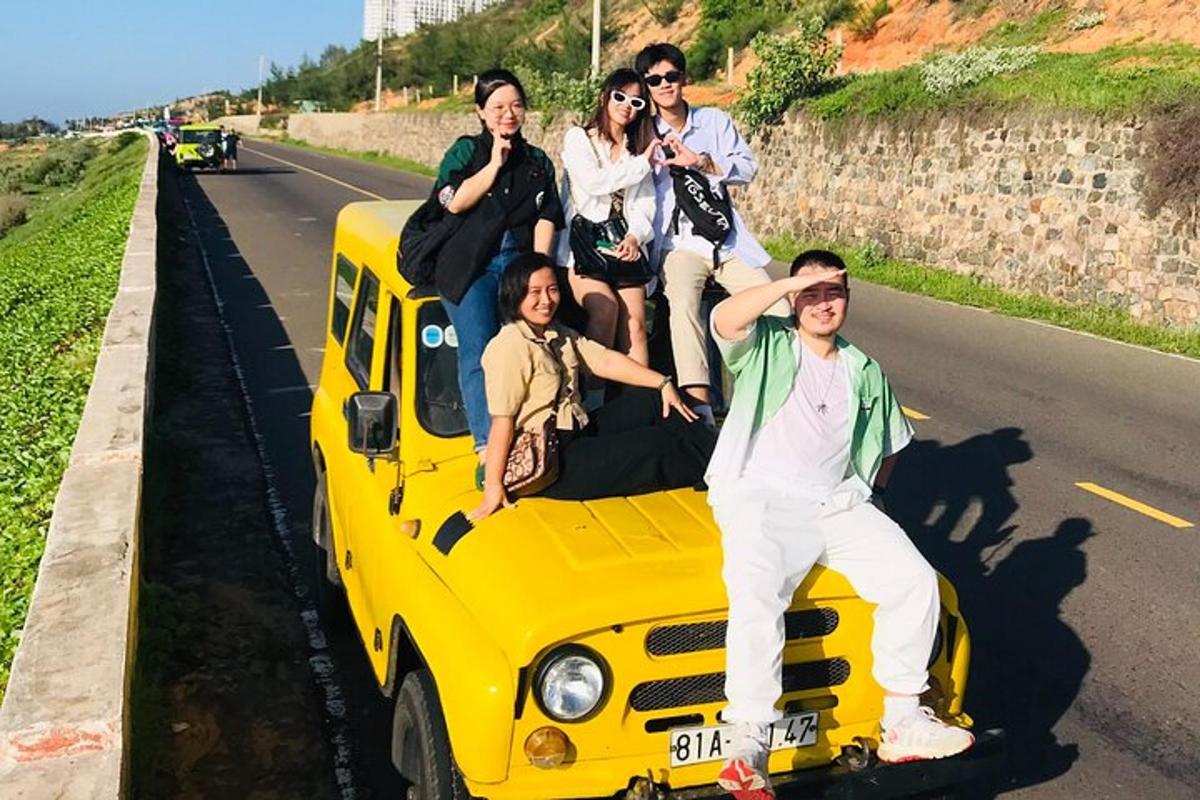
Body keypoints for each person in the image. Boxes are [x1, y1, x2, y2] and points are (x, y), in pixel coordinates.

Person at [706, 250, 974, 799]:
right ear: (795, 298)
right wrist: (788, 284)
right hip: (762, 495)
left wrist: (871, 489)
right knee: (757, 589)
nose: (824, 304)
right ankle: (750, 740)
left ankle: (903, 718)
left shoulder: (863, 367)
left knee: (915, 582)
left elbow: (892, 440)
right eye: (813, 294)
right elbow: (725, 320)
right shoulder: (768, 345)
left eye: (835, 294)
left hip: (838, 502)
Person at [469, 253, 715, 521]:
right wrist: (494, 485)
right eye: (535, 292)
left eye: (552, 290)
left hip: (580, 429)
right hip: (554, 460)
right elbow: (502, 421)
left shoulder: (557, 333)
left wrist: (662, 382)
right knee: (655, 445)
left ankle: (720, 456)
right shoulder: (508, 346)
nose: (546, 300)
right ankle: (718, 469)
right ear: (514, 295)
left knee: (656, 400)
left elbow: (604, 361)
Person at [635, 42, 786, 427]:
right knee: (683, 303)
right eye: (655, 80)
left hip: (724, 241)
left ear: (684, 79)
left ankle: (774, 393)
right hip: (676, 246)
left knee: (777, 305)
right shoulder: (643, 134)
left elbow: (747, 169)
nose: (665, 85)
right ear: (647, 87)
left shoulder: (715, 122)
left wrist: (702, 162)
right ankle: (699, 405)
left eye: (671, 76)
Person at [432, 69, 564, 474]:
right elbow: (454, 202)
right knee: (481, 351)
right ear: (481, 113)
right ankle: (487, 443)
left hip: (519, 267)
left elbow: (548, 215)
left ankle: (535, 430)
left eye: (516, 105)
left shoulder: (538, 161)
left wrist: (540, 272)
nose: (509, 114)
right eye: (498, 107)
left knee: (530, 346)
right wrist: (493, 162)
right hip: (472, 266)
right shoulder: (464, 152)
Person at [557, 68, 660, 373]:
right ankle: (590, 401)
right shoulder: (579, 139)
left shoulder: (636, 150)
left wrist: (635, 237)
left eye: (637, 102)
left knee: (636, 326)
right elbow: (594, 183)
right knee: (605, 309)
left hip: (623, 247)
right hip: (583, 249)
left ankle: (634, 407)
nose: (627, 105)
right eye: (620, 96)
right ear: (605, 97)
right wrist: (643, 165)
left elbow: (644, 204)